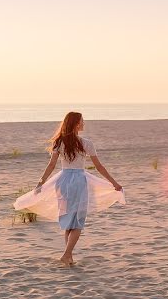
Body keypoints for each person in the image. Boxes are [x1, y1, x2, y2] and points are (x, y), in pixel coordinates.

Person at [14, 111, 124, 266]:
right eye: (82, 121)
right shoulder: (86, 143)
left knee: (68, 219)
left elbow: (51, 165)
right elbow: (99, 166)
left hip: (63, 181)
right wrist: (114, 183)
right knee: (78, 221)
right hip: (79, 181)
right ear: (76, 124)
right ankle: (66, 254)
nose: (84, 123)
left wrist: (41, 183)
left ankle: (69, 256)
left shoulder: (59, 142)